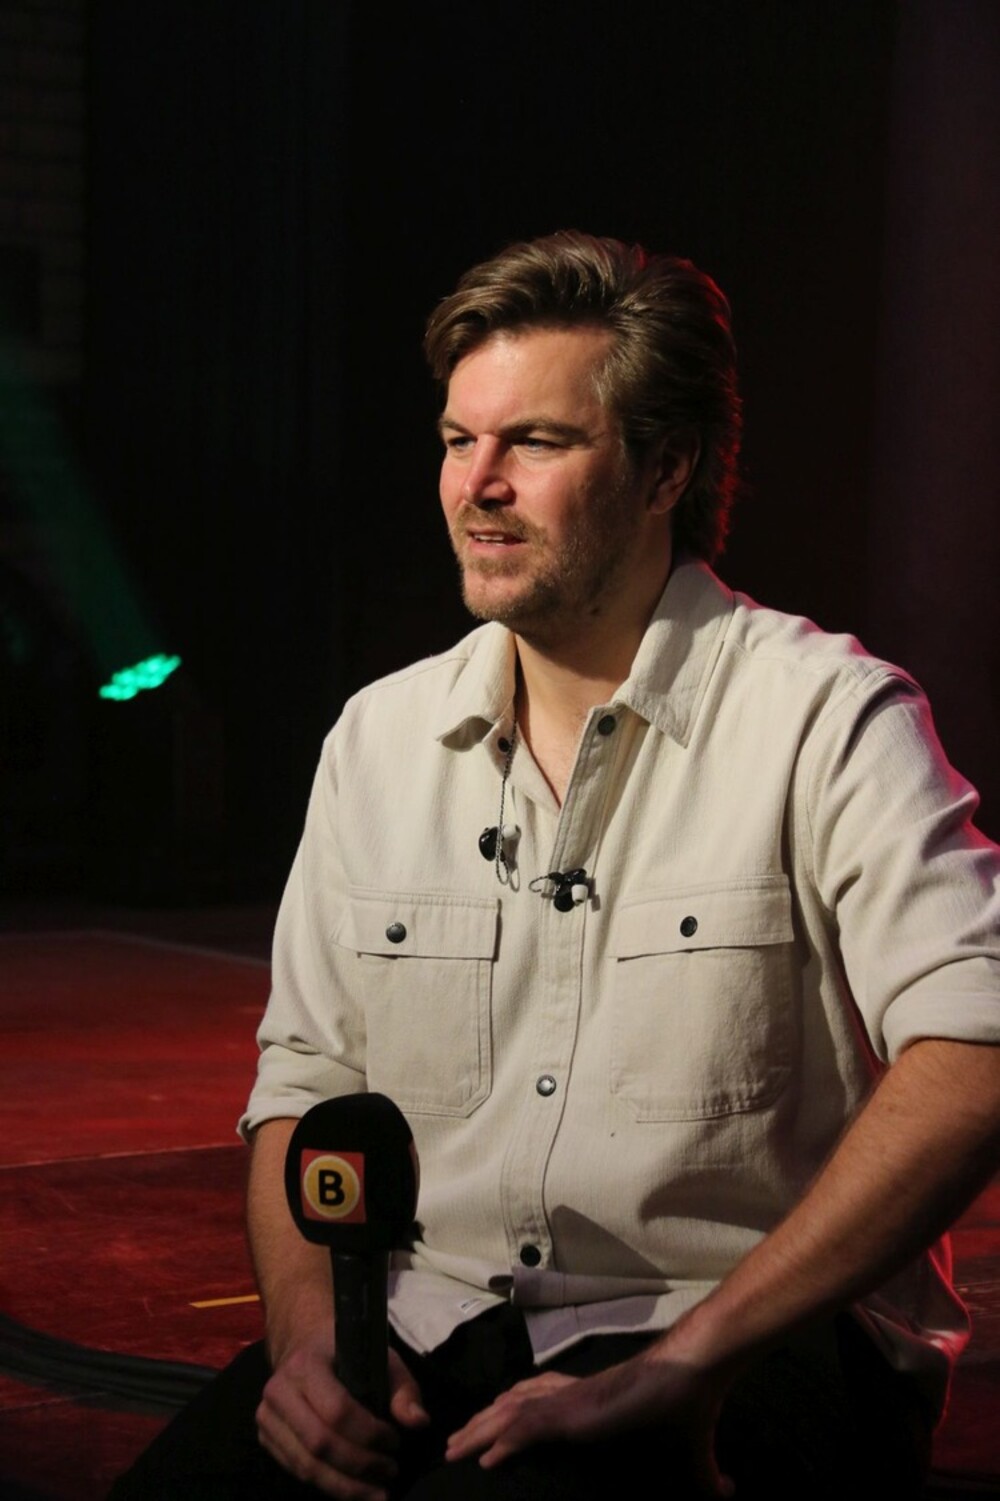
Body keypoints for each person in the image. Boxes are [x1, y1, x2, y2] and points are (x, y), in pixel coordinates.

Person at [112, 232, 1000, 1500]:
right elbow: (305, 1082)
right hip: (431, 1324)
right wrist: (307, 1337)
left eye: (533, 442)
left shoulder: (826, 717)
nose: (477, 484)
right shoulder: (377, 740)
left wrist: (687, 1360)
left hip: (745, 1338)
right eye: (456, 440)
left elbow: (977, 1047)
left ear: (664, 468)